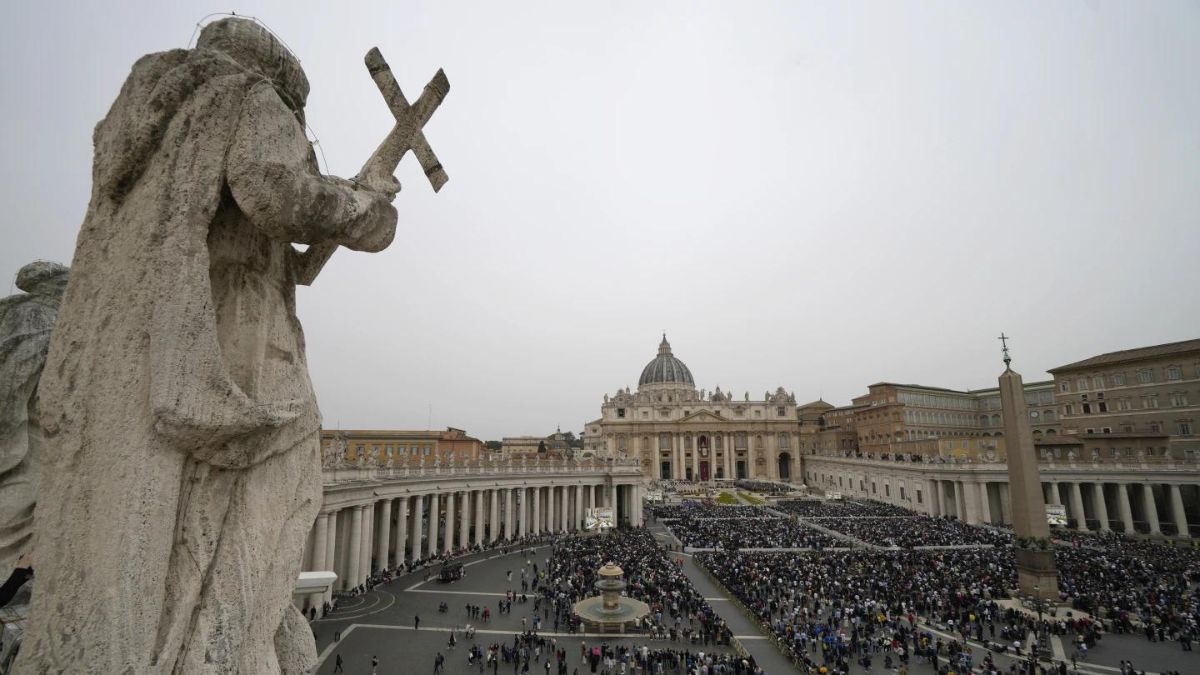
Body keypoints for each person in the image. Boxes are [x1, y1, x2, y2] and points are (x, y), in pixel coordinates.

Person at [13, 16, 399, 675]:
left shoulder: (156, 122)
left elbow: (293, 259)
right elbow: (272, 193)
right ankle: (228, 647)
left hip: (165, 333)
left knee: (191, 506)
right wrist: (368, 206)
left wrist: (348, 195)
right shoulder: (250, 97)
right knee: (281, 488)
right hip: (247, 339)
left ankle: (184, 640)